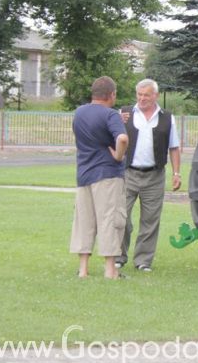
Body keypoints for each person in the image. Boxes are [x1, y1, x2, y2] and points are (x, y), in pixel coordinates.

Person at [116, 78, 181, 272]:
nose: (142, 98)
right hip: (128, 173)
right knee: (122, 217)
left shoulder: (167, 118)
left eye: (146, 95)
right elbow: (112, 139)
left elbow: (174, 147)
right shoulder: (124, 114)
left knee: (150, 220)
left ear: (155, 96)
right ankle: (119, 256)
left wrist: (176, 173)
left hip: (155, 175)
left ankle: (143, 261)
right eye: (140, 94)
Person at [70, 76, 129, 279]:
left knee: (84, 221)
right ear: (111, 94)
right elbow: (122, 138)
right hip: (108, 175)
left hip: (84, 174)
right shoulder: (111, 114)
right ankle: (110, 269)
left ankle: (83, 269)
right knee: (110, 220)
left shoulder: (79, 113)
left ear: (94, 93)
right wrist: (118, 155)